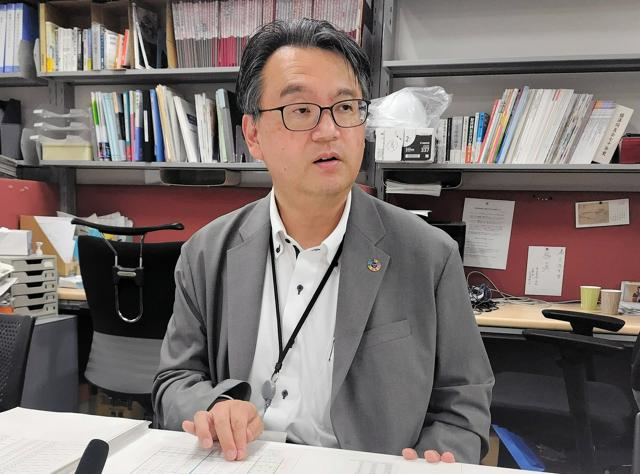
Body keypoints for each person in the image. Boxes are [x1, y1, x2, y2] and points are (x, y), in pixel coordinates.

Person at [152, 18, 494, 465]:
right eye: (301, 110)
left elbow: (465, 403)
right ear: (253, 135)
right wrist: (214, 408)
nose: (329, 130)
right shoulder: (206, 253)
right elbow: (173, 382)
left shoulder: (429, 255)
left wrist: (434, 457)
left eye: (346, 107)